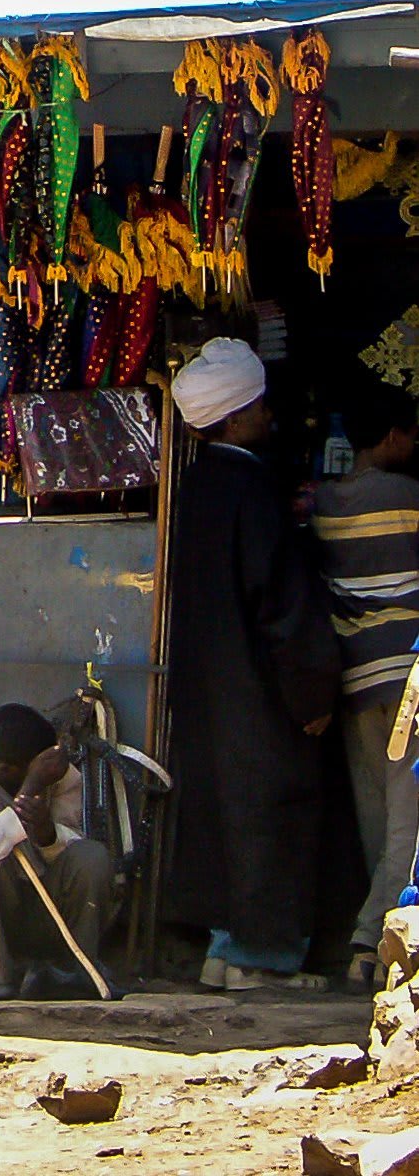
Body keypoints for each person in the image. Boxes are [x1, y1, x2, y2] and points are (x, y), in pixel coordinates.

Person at [164, 336, 341, 991]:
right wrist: (313, 693)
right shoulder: (251, 490)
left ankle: (222, 950)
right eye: (260, 406)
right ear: (235, 418)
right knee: (270, 816)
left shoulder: (199, 488)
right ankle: (259, 961)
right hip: (261, 697)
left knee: (221, 818)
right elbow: (283, 606)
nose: (269, 415)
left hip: (211, 696)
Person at [309, 376, 419, 987]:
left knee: (377, 816)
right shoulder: (409, 496)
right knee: (409, 818)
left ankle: (373, 947)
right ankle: (372, 939)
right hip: (409, 675)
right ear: (395, 436)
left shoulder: (325, 504)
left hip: (356, 680)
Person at [0, 703, 116, 999]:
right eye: (37, 768)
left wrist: (47, 834)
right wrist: (30, 788)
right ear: (7, 769)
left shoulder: (59, 777)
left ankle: (78, 970)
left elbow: (76, 843)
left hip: (50, 911)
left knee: (92, 857)